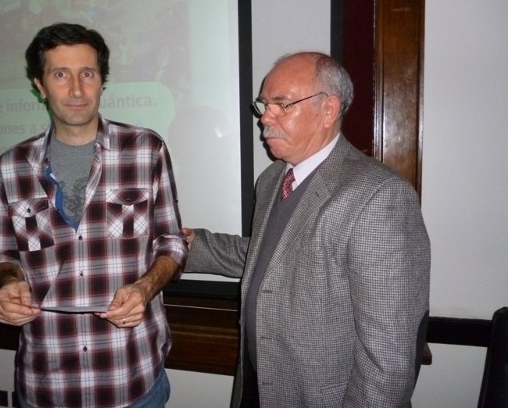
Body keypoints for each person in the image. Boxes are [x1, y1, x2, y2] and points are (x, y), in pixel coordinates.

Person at [183, 51, 430, 407]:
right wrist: (187, 244)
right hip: (259, 386)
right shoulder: (272, 179)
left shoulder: (378, 196)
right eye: (264, 104)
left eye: (282, 104)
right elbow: (271, 257)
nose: (264, 118)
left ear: (328, 110)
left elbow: (388, 360)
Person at [0, 22, 188, 408]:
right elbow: (1, 255)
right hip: (47, 385)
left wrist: (145, 288)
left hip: (133, 379)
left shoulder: (146, 150)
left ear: (101, 82)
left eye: (87, 74)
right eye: (61, 74)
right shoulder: (10, 168)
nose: (76, 90)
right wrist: (8, 283)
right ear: (40, 86)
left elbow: (172, 242)